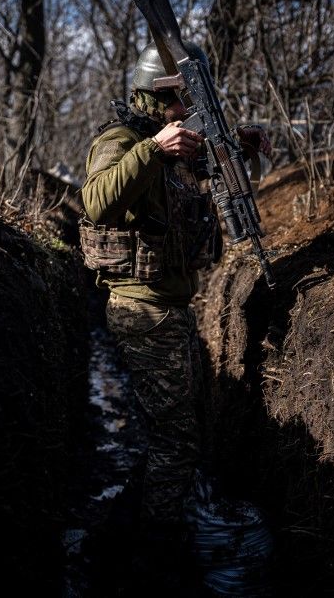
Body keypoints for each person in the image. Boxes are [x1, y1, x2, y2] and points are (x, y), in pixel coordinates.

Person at [79, 41, 270, 585]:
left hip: (172, 311)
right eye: (176, 102)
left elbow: (200, 174)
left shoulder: (170, 144)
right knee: (176, 438)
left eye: (188, 103)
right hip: (142, 313)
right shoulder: (120, 142)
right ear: (149, 96)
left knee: (180, 430)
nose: (183, 114)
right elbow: (95, 201)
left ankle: (128, 526)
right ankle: (150, 556)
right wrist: (152, 151)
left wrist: (239, 146)